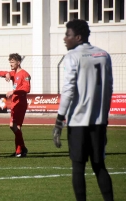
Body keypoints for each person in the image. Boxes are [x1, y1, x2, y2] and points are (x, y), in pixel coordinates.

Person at [52, 19, 114, 201]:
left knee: (78, 167)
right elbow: (109, 88)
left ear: (77, 37)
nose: (64, 38)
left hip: (79, 121)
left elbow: (69, 90)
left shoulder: (72, 56)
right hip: (99, 121)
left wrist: (59, 120)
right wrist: (104, 116)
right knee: (99, 165)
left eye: (67, 35)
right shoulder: (104, 55)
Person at [0, 53, 31, 157]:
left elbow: (27, 89)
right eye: (10, 62)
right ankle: (20, 150)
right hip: (14, 104)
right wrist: (7, 73)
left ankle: (20, 150)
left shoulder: (25, 74)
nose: (10, 64)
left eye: (12, 62)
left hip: (20, 103)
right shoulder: (13, 73)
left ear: (18, 62)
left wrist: (14, 91)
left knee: (13, 126)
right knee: (16, 127)